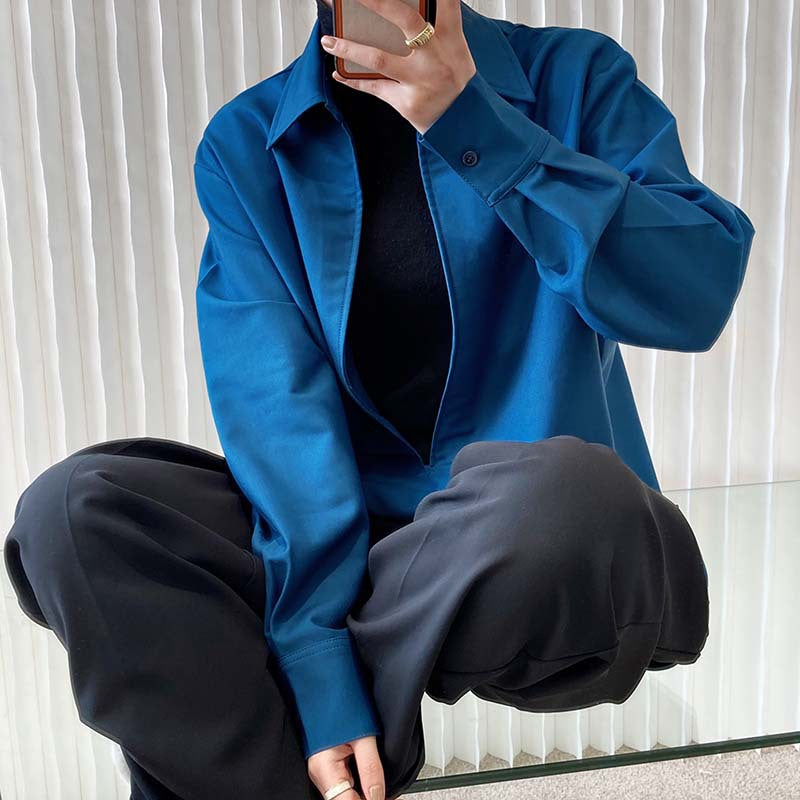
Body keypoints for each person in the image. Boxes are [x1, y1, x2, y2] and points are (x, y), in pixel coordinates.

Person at [3, 0, 755, 799]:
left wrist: (478, 128)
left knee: (578, 500)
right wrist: (315, 642)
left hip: (522, 543)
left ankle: (296, 722)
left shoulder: (575, 78)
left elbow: (695, 293)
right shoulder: (249, 144)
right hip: (348, 544)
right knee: (75, 511)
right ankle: (328, 725)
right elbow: (276, 410)